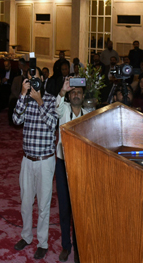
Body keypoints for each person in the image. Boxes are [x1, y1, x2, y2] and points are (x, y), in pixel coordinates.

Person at [12, 69, 58, 260]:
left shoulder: (51, 100)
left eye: (36, 78)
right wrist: (23, 95)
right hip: (27, 160)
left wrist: (39, 102)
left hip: (45, 161)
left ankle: (42, 242)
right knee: (25, 202)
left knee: (43, 205)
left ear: (43, 79)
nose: (33, 81)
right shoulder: (26, 99)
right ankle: (26, 236)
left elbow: (53, 124)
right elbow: (15, 120)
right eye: (30, 78)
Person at [55, 78, 94, 262]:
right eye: (73, 92)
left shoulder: (88, 115)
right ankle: (66, 246)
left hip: (81, 165)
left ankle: (79, 249)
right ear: (69, 96)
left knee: (80, 208)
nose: (76, 94)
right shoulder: (63, 111)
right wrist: (63, 91)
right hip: (63, 164)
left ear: (83, 95)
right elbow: (56, 105)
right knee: (64, 208)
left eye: (79, 91)